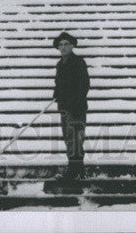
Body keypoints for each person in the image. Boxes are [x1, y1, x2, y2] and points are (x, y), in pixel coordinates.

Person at [52, 31, 89, 181]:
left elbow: (84, 85)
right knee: (69, 139)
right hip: (64, 108)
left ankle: (76, 170)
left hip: (76, 108)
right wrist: (56, 93)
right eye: (60, 45)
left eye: (66, 44)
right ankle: (76, 170)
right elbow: (59, 84)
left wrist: (74, 103)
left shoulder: (78, 62)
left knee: (76, 139)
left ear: (72, 45)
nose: (63, 47)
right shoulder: (60, 64)